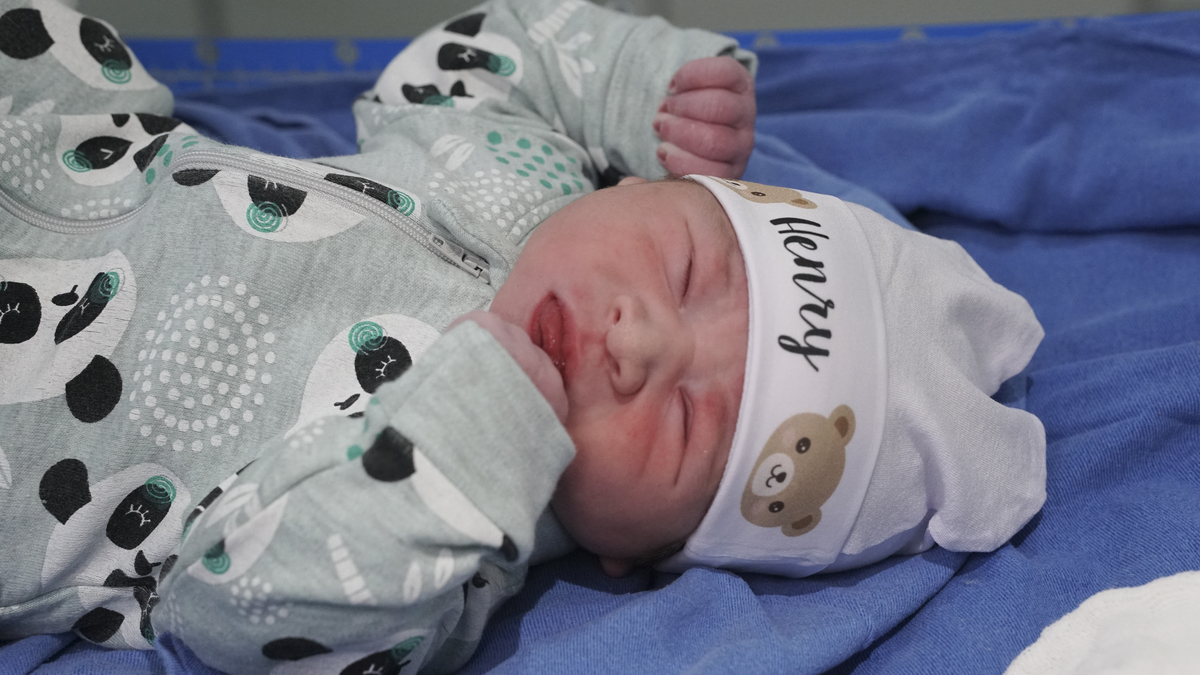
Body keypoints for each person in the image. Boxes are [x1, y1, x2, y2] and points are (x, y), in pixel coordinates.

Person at [0, 0, 1045, 672]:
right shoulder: (532, 176)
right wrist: (641, 86)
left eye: (689, 423)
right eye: (686, 269)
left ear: (642, 554)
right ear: (646, 191)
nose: (641, 343)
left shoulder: (449, 557)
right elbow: (476, 61)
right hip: (64, 148)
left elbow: (239, 611)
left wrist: (473, 440)